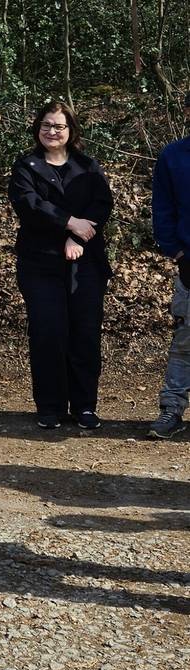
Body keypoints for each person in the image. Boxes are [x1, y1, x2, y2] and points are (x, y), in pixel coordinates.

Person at [8, 101, 113, 431]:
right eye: (46, 125)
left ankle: (84, 406)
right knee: (48, 332)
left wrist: (78, 239)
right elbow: (29, 205)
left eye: (59, 126)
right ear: (38, 128)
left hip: (86, 264)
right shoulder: (26, 166)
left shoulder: (87, 166)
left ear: (71, 131)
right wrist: (68, 223)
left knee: (84, 334)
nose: (52, 131)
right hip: (40, 263)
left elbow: (103, 204)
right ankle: (50, 406)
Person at [148, 91, 190, 440]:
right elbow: (162, 210)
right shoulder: (173, 156)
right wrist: (177, 253)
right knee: (184, 344)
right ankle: (171, 411)